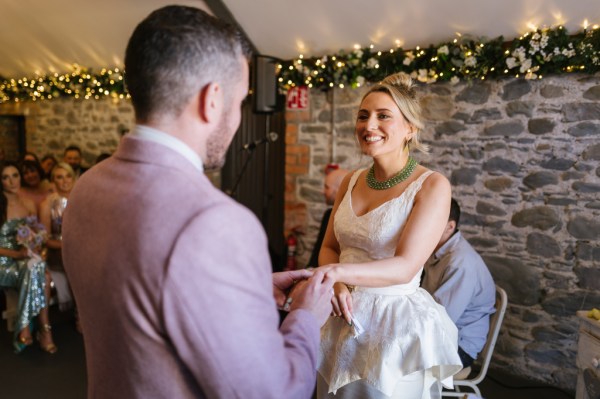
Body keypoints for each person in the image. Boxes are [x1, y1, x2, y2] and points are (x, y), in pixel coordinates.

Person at [62, 6, 334, 398]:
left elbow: (147, 299)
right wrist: (305, 317)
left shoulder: (87, 186)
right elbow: (274, 392)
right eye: (239, 102)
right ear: (212, 99)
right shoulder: (216, 223)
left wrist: (250, 288)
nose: (237, 119)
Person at [314, 73, 462, 398]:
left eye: (384, 116)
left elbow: (405, 266)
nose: (369, 125)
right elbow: (328, 247)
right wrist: (336, 284)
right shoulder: (349, 181)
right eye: (363, 116)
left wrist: (336, 272)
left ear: (410, 128)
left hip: (392, 323)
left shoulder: (432, 186)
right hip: (339, 314)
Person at [421, 198, 496, 370]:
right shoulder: (436, 248)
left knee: (396, 357)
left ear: (450, 227)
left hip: (459, 346)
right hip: (440, 332)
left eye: (430, 221)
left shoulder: (459, 263)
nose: (422, 226)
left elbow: (442, 319)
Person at [0, 161, 56, 354]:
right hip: (4, 261)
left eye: (15, 175)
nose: (11, 180)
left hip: (25, 260)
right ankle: (44, 330)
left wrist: (36, 246)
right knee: (42, 274)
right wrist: (17, 253)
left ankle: (29, 328)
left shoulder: (29, 204)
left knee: (38, 269)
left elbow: (37, 236)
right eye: (5, 177)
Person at [39, 163, 76, 314]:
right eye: (59, 177)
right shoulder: (47, 204)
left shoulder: (83, 198)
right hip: (57, 250)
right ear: (53, 181)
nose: (65, 181)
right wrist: (68, 246)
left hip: (81, 248)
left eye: (68, 176)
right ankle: (80, 314)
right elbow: (45, 239)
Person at [307, 165, 348, 268]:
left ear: (340, 190)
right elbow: (319, 250)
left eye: (327, 187)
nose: (322, 191)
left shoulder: (349, 218)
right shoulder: (328, 215)